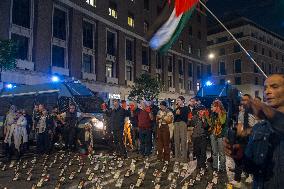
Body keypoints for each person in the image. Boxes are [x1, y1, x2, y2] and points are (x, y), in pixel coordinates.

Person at [224, 73, 284, 189]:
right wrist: (240, 157)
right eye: (265, 88)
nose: (267, 91)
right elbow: (252, 168)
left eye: (274, 86)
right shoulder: (259, 128)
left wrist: (267, 112)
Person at [207, 99, 227, 172]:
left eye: (213, 106)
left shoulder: (223, 113)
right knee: (214, 152)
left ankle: (222, 168)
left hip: (221, 135)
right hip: (213, 134)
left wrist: (219, 113)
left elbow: (222, 122)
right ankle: (215, 166)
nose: (212, 108)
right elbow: (210, 124)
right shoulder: (212, 114)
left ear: (218, 107)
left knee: (222, 153)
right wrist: (206, 116)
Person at [191, 105, 209, 169]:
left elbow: (206, 126)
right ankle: (199, 164)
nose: (202, 112)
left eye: (203, 111)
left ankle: (203, 165)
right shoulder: (195, 117)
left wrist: (203, 119)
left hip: (203, 136)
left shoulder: (206, 117)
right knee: (197, 151)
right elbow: (192, 123)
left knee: (203, 151)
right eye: (200, 111)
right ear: (198, 111)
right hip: (196, 136)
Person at [174, 96, 189, 162]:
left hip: (183, 124)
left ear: (183, 101)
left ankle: (184, 158)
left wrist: (179, 113)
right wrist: (176, 113)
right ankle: (177, 157)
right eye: (177, 100)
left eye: (179, 100)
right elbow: (174, 118)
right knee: (176, 141)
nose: (177, 101)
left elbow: (185, 118)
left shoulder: (186, 108)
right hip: (176, 124)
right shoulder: (176, 108)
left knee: (183, 141)